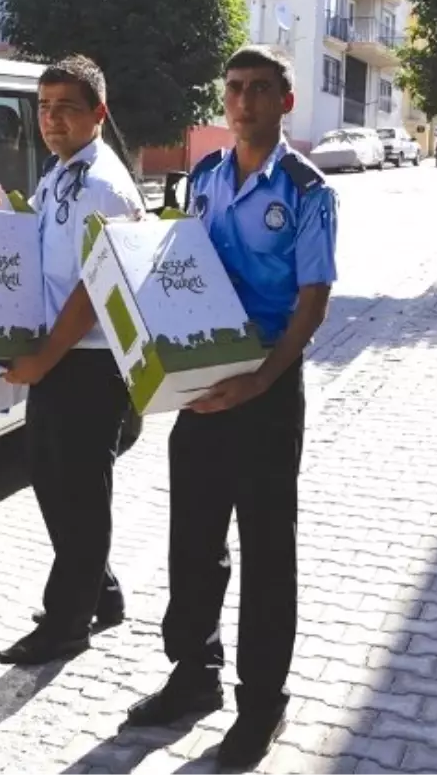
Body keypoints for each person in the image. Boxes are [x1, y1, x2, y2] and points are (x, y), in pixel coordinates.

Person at [125, 46, 338, 770]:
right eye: (235, 89)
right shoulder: (207, 179)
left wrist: (259, 380)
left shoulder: (309, 192)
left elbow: (313, 302)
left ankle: (262, 704)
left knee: (268, 552)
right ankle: (193, 675)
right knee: (193, 539)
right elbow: (181, 267)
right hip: (202, 390)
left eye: (258, 90)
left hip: (269, 391)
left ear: (286, 99)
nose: (243, 101)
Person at [0, 55, 145, 666]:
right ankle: (99, 594)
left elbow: (94, 289)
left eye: (66, 108)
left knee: (78, 493)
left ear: (98, 113)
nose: (51, 119)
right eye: (44, 108)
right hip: (61, 357)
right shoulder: (61, 174)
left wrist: (44, 360)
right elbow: (47, 248)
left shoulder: (102, 183)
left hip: (89, 363)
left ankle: (66, 623)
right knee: (55, 480)